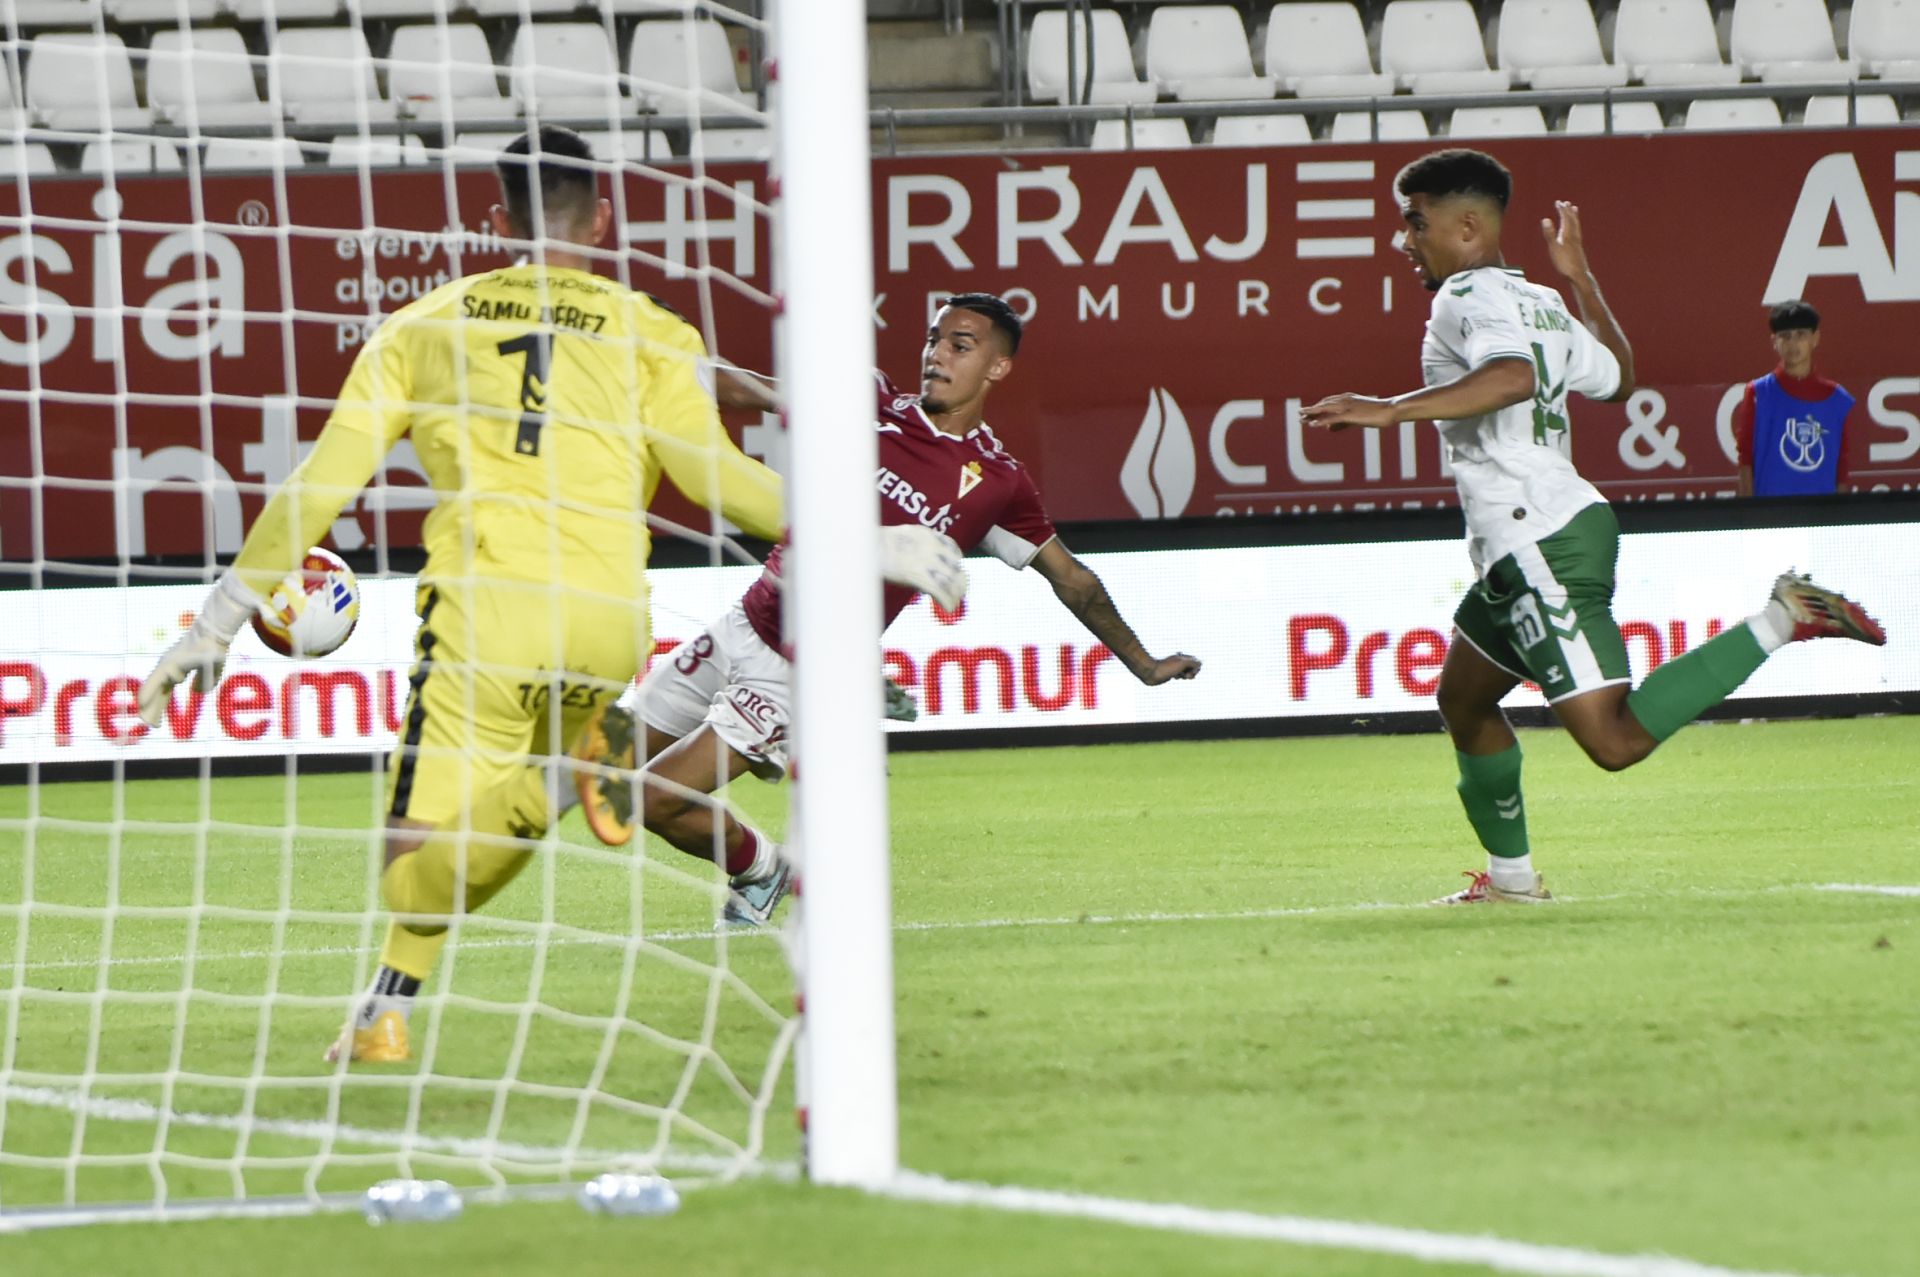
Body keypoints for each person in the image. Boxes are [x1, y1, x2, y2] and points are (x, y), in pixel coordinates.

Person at [139, 127, 803, 1066]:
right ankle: (381, 1014)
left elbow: (319, 489)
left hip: (488, 615)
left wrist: (219, 620)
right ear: (604, 217)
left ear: (497, 221)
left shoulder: (423, 327)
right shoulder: (653, 331)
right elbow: (726, 484)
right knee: (482, 826)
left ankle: (556, 785)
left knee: (413, 859)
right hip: (614, 623)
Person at [1302, 149, 1886, 906]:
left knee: (1611, 741)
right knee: (1465, 701)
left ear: (1468, 226)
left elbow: (1512, 376)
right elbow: (1618, 373)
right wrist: (1582, 280)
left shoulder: (1462, 297)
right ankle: (1512, 881)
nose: (1403, 239)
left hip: (1536, 537)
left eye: (1415, 222)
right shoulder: (1541, 297)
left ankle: (1782, 617)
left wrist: (1387, 408)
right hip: (1538, 532)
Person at [570, 293, 1204, 926]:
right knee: (602, 773)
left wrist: (1143, 663)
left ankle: (764, 869)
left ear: (996, 368)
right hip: (744, 620)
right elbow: (756, 390)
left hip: (798, 669)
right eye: (934, 339)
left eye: (961, 345)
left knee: (651, 801)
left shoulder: (998, 482)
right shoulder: (870, 405)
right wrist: (655, 365)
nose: (936, 355)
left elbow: (1074, 581)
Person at [1734, 299, 1854, 498]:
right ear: (1774, 341)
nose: (1793, 343)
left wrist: (1839, 517)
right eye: (1785, 336)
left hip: (1821, 516)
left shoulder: (1838, 399)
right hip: (1769, 515)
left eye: (1801, 335)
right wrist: (1748, 516)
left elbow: (1842, 466)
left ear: (1815, 338)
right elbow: (1745, 459)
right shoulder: (1758, 392)